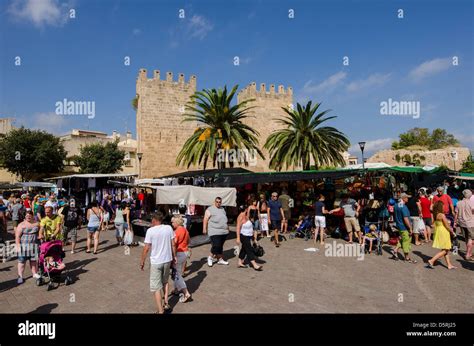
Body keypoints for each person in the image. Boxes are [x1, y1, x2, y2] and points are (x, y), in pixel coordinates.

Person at [140, 212, 177, 314]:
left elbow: (146, 248)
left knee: (156, 287)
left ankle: (160, 311)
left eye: (152, 219)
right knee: (165, 281)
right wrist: (174, 257)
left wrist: (142, 261)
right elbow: (173, 244)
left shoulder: (150, 231)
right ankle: (166, 303)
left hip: (156, 262)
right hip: (167, 260)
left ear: (154, 220)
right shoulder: (168, 228)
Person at [426, 201, 457, 269]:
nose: (444, 207)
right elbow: (447, 226)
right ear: (440, 207)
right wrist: (452, 232)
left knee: (445, 249)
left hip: (439, 231)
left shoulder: (436, 214)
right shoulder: (441, 215)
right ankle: (431, 260)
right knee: (446, 249)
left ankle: (449, 265)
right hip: (444, 232)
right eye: (443, 206)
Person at [170, 215, 192, 302]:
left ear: (177, 222)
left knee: (176, 274)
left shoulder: (177, 231)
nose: (172, 224)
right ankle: (176, 289)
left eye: (173, 222)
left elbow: (174, 244)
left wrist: (173, 255)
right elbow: (189, 241)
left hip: (179, 253)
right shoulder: (185, 230)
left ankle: (186, 293)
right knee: (178, 271)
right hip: (185, 252)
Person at [15, 211, 41, 284]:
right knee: (22, 262)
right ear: (25, 217)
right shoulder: (21, 225)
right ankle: (20, 277)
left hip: (34, 246)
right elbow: (17, 236)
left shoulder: (37, 223)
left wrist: (40, 236)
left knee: (33, 261)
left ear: (32, 216)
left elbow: (40, 232)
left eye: (30, 216)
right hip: (24, 247)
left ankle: (34, 273)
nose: (28, 217)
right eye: (27, 216)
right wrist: (18, 245)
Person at [203, 197, 230, 267]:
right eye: (217, 202)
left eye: (219, 202)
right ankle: (210, 257)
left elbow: (224, 219)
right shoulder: (210, 209)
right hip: (214, 230)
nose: (218, 203)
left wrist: (227, 227)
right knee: (216, 245)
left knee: (220, 246)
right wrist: (204, 229)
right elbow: (205, 219)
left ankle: (220, 259)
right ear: (214, 202)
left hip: (224, 231)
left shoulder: (222, 209)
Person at [391, 193, 417, 263]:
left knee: (402, 239)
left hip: (399, 226)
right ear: (403, 198)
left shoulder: (396, 205)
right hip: (404, 227)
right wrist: (410, 228)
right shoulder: (404, 207)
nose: (407, 199)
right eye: (406, 197)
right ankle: (407, 257)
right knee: (406, 241)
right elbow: (405, 218)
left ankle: (395, 250)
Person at [236, 205, 263, 271]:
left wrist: (253, 238)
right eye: (247, 209)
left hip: (249, 236)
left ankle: (239, 262)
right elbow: (238, 228)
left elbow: (250, 227)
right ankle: (254, 264)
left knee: (244, 249)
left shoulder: (246, 216)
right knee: (249, 249)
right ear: (245, 209)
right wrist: (238, 238)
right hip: (243, 236)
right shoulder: (240, 217)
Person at [454, 189, 474, 261]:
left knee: (466, 238)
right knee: (470, 239)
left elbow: (456, 214)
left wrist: (455, 222)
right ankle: (468, 255)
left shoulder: (458, 203)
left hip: (461, 223)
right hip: (470, 223)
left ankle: (469, 252)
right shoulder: (471, 203)